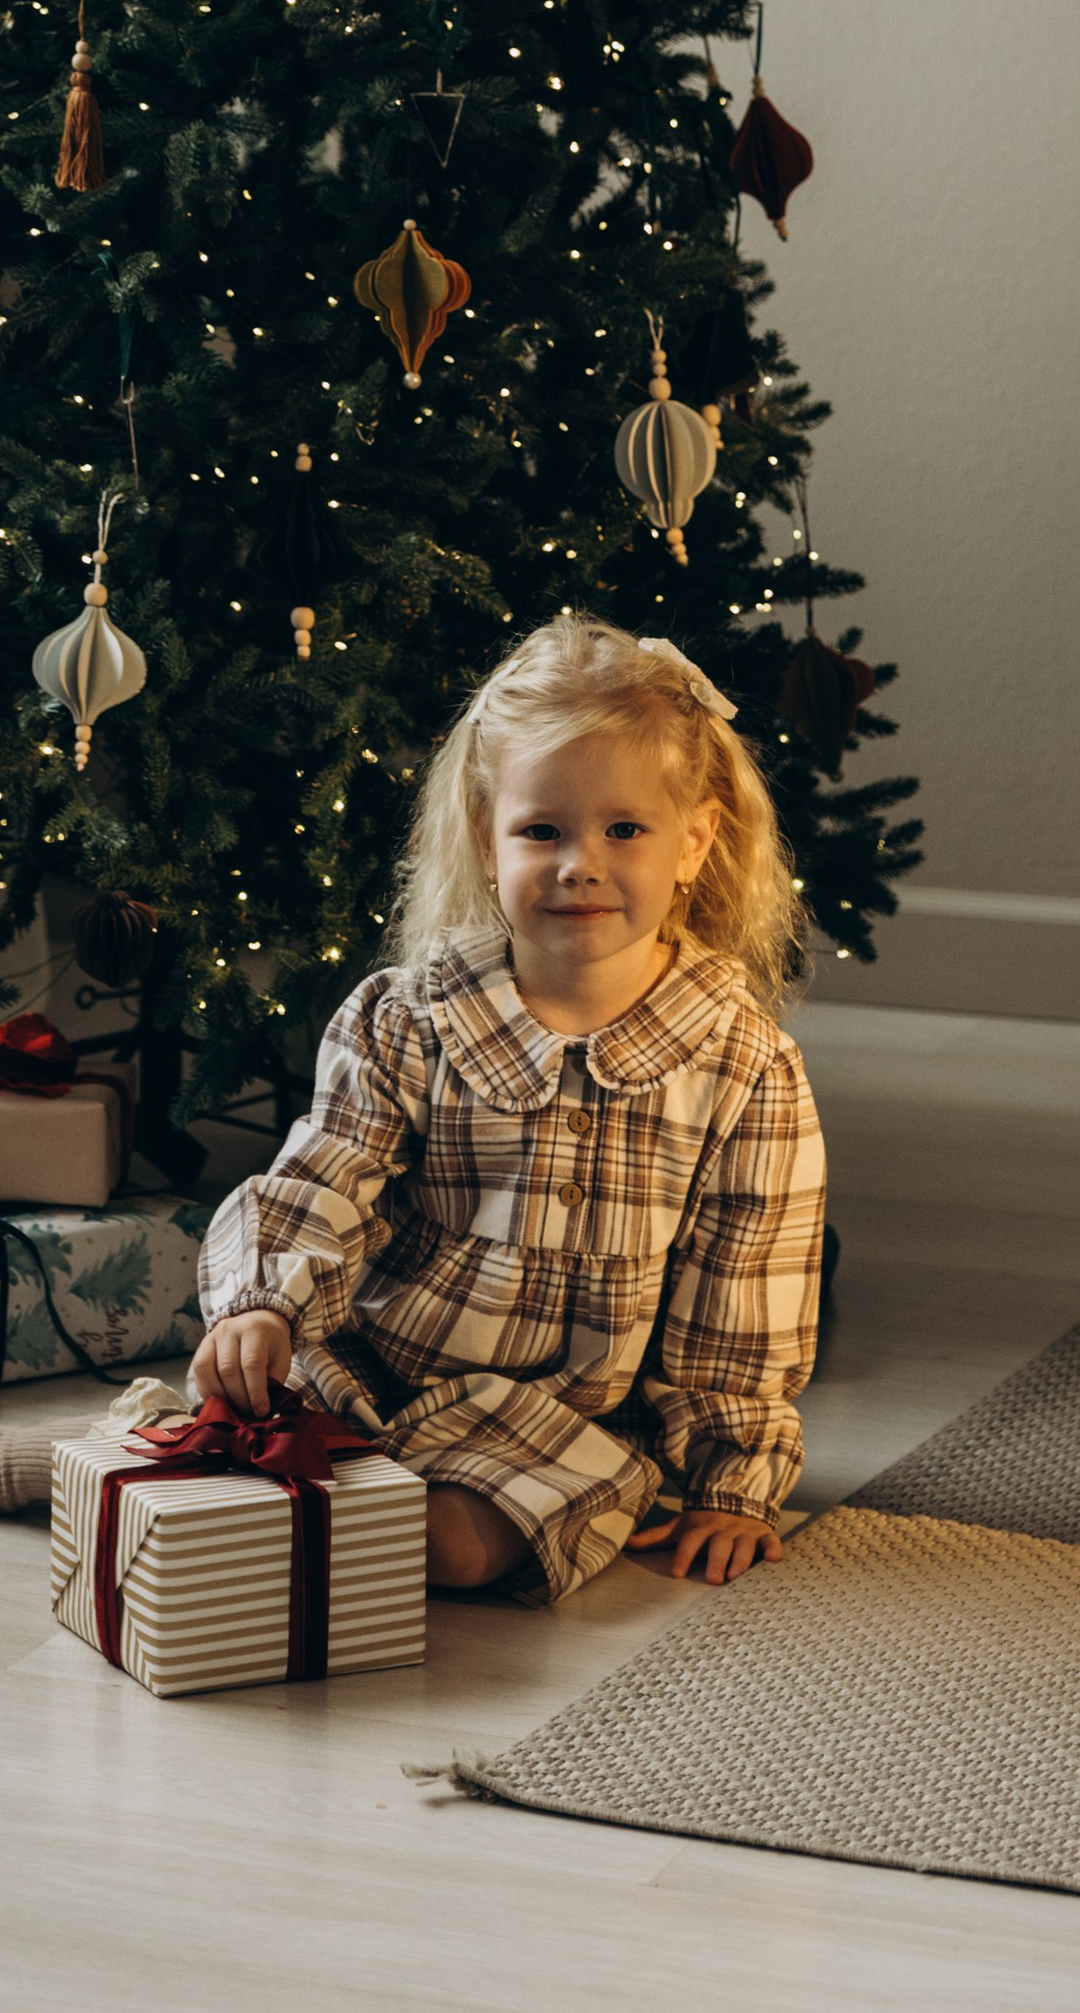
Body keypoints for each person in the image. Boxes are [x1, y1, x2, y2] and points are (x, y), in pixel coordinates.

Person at [189, 611, 824, 1599]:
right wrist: (266, 1303)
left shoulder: (742, 1065)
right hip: (370, 1364)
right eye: (542, 830)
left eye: (624, 830)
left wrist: (732, 1483)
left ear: (693, 842)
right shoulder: (408, 1018)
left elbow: (742, 1298)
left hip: (561, 1421)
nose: (581, 862)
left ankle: (267, 1519)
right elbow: (326, 1176)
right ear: (487, 841)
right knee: (238, 1436)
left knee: (453, 1551)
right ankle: (57, 1480)